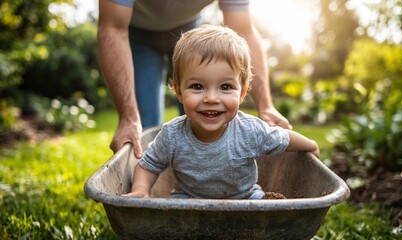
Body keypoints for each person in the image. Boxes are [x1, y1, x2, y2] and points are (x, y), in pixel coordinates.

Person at [122, 25, 319, 199]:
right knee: (173, 218)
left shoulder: (249, 131)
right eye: (198, 86)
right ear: (179, 92)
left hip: (245, 198)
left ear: (242, 93)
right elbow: (149, 165)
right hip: (188, 200)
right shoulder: (172, 135)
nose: (212, 98)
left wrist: (310, 145)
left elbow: (283, 138)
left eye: (225, 87)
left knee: (264, 206)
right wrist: (141, 190)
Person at [97, 0, 293, 159]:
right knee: (145, 133)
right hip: (134, 31)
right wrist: (128, 117)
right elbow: (113, 27)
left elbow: (244, 31)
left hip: (190, 32)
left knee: (206, 127)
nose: (211, 98)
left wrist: (266, 106)